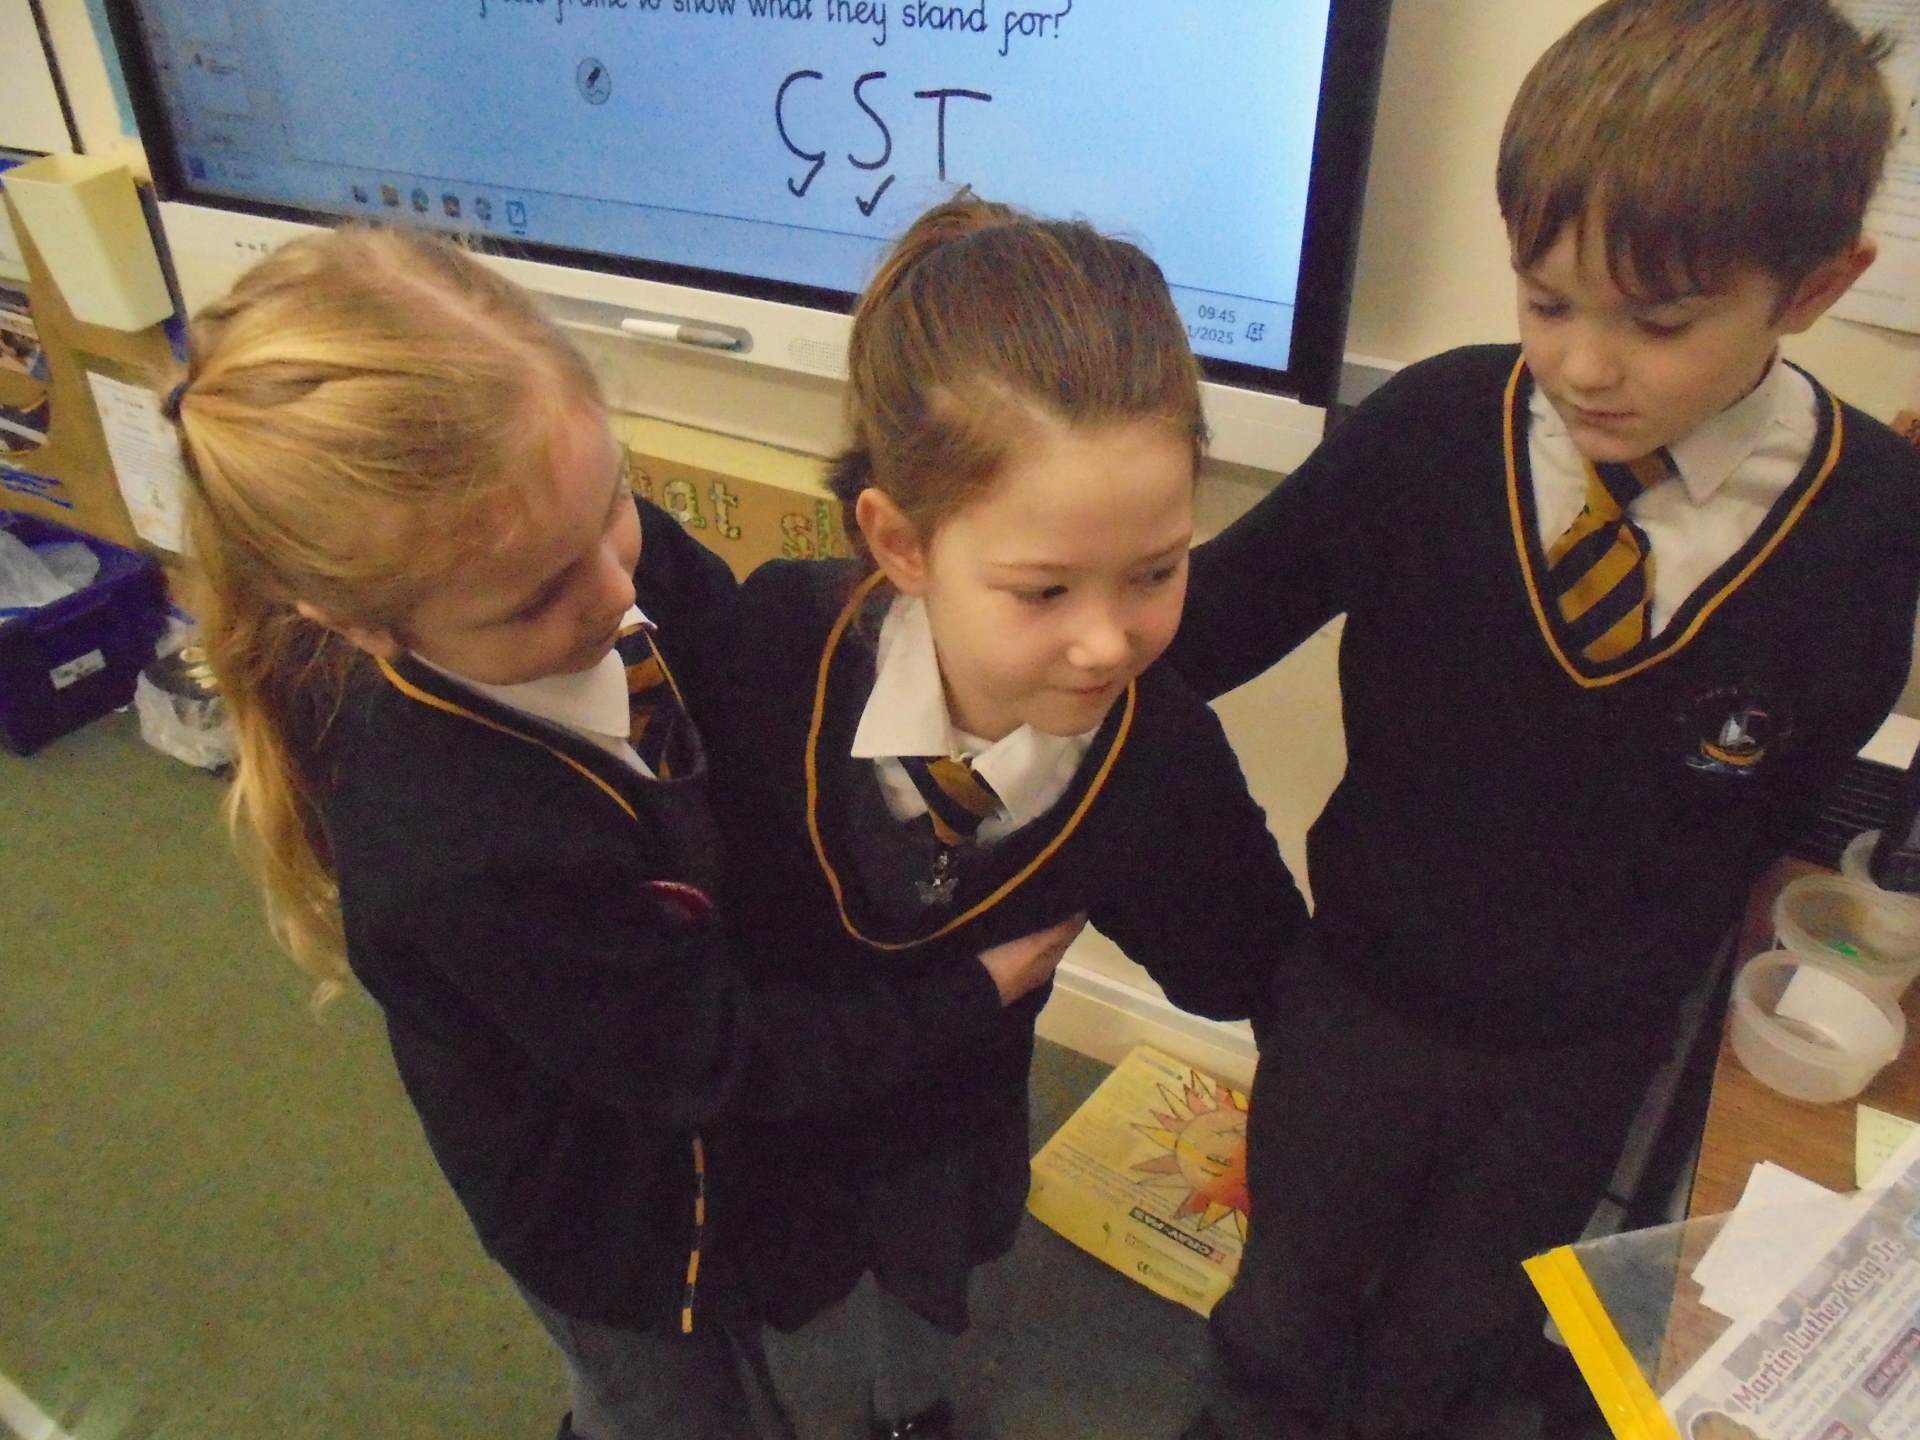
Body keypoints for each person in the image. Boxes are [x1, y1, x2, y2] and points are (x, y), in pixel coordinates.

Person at [163, 224, 1079, 1440]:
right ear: (364, 623)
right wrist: (971, 993)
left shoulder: (572, 552)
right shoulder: (459, 851)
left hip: (700, 1105)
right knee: (660, 1406)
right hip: (615, 1224)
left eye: (615, 504)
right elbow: (708, 1061)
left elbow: (746, 682)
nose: (615, 589)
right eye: (538, 597)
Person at [1170, 3, 1920, 1437]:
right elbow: (1199, 635)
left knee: (1465, 1326)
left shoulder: (1870, 523)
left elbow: (1806, 763)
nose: (1583, 366)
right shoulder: (1428, 434)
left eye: (1660, 322)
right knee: (1284, 1304)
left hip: (1589, 1048)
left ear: (1819, 286)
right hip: (1358, 1000)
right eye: (1546, 300)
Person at [702, 194, 1309, 1440]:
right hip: (777, 1086)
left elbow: (1240, 956)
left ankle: (912, 1408)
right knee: (773, 1301)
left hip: (951, 1115)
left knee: (930, 1296)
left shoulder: (1157, 752)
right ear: (901, 542)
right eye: (1043, 591)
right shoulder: (774, 646)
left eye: (1157, 571)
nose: (1107, 643)